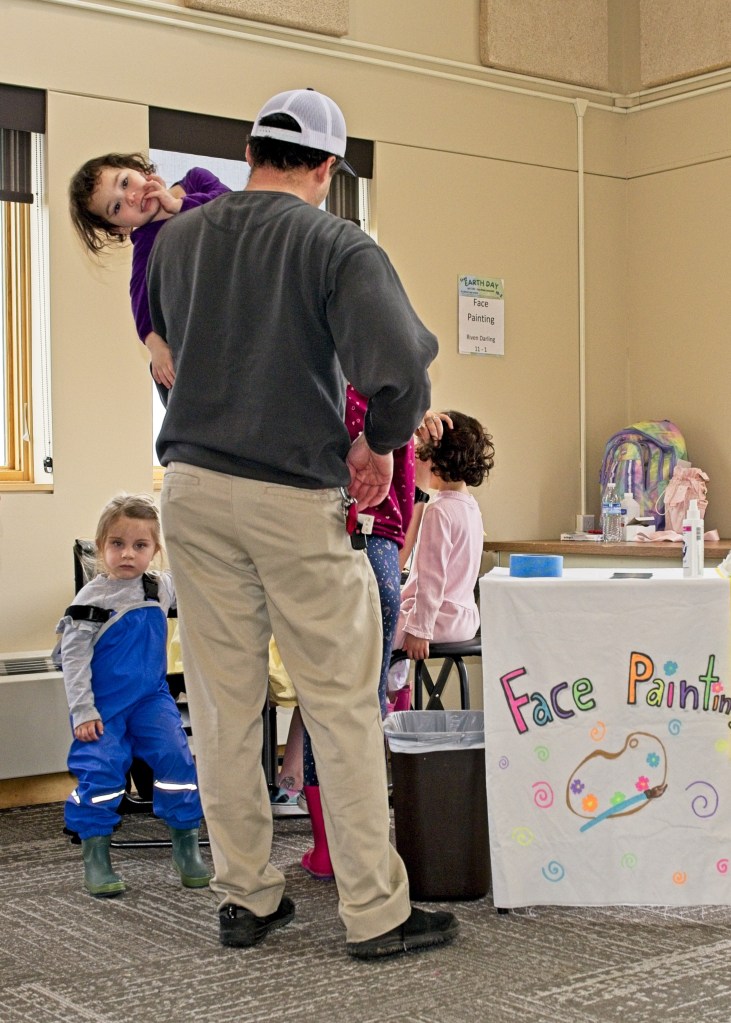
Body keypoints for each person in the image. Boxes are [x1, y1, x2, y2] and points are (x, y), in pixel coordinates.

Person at [147, 87, 459, 958]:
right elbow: (397, 362)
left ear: (251, 152)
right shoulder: (334, 241)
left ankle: (245, 896)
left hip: (191, 489)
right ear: (326, 167)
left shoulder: (178, 241)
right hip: (290, 493)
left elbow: (172, 353)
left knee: (220, 701)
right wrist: (381, 441)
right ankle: (374, 910)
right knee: (340, 701)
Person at [299, 400, 451, 879]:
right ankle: (367, 851)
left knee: (322, 698)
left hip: (326, 537)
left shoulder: (322, 381)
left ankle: (327, 850)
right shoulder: (391, 396)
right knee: (368, 699)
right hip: (379, 547)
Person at [55, 493, 210, 898]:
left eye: (140, 546)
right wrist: (82, 711)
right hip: (102, 708)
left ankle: (186, 846)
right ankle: (96, 855)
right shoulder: (89, 602)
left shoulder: (159, 587)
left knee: (176, 760)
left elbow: (198, 577)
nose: (128, 554)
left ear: (155, 549)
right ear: (101, 546)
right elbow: (73, 663)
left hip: (152, 701)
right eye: (117, 544)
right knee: (102, 772)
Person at [68, 154, 230, 390]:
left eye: (124, 182)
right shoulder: (145, 243)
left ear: (137, 169)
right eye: (116, 207)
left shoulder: (196, 179)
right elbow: (139, 299)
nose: (131, 198)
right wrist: (155, 345)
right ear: (119, 227)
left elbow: (231, 204)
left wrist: (178, 206)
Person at [387, 411, 495, 706]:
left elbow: (432, 579)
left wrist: (420, 629)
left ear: (437, 459)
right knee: (397, 615)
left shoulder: (438, 511)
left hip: (439, 618)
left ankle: (391, 697)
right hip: (465, 617)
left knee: (381, 627)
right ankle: (397, 693)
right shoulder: (470, 507)